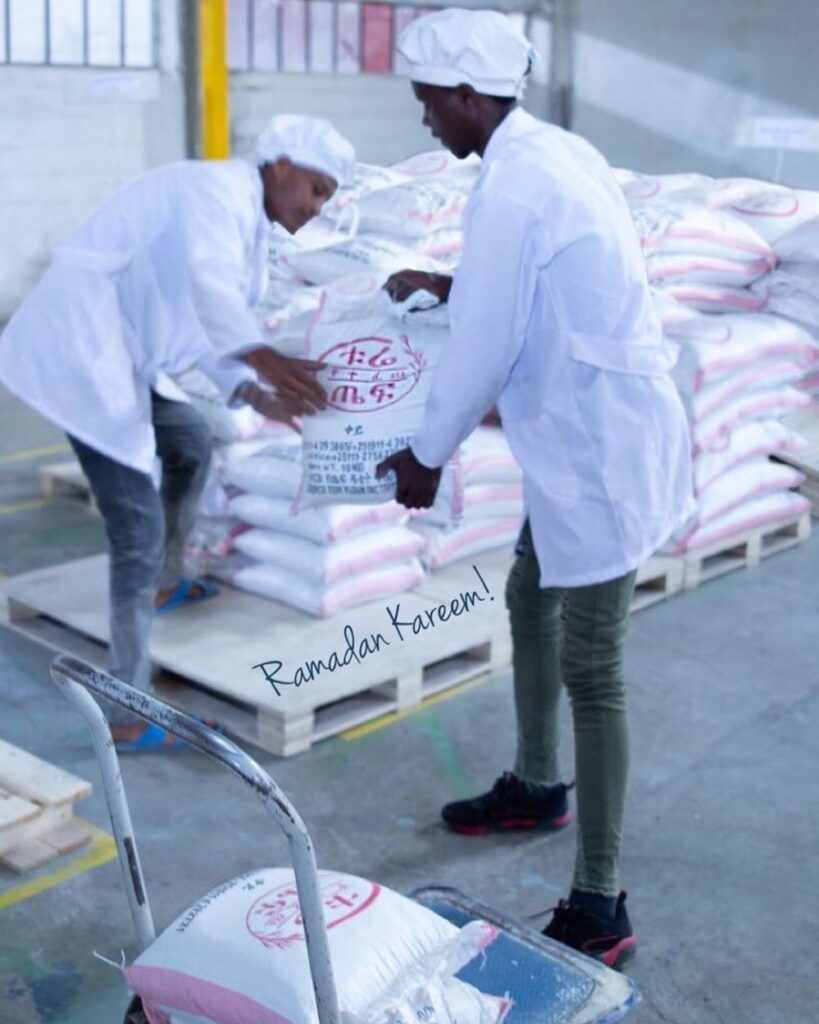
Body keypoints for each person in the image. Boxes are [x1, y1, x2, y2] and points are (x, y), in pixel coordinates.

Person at [377, 9, 694, 967]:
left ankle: (599, 904)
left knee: (593, 669)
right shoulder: (545, 153)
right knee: (527, 595)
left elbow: (485, 343)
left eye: (430, 102)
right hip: (574, 439)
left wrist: (426, 455)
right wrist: (452, 281)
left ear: (469, 96)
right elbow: (521, 287)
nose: (425, 119)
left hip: (599, 451)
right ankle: (536, 784)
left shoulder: (518, 181)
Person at [0, 115, 355, 752]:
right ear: (281, 166)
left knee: (189, 439)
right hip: (84, 354)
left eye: (326, 197)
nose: (316, 208)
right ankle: (125, 709)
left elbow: (202, 323)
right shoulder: (214, 191)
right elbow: (210, 289)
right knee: (135, 527)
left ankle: (165, 580)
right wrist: (264, 358)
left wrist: (256, 393)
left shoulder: (249, 227)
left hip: (126, 356)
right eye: (315, 189)